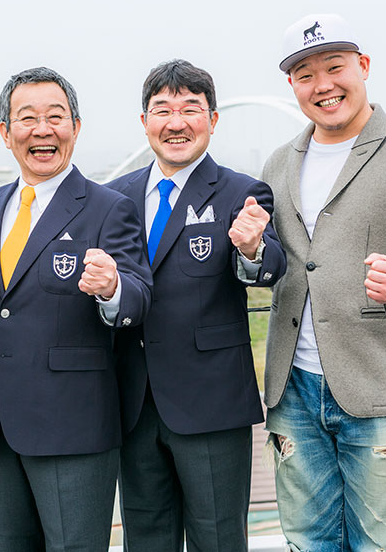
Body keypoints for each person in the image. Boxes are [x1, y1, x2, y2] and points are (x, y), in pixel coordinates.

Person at [263, 14, 386, 552]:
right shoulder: (279, 163)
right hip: (293, 388)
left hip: (378, 383)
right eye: (306, 75)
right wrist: (251, 250)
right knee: (308, 540)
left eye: (335, 67)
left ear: (363, 66)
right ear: (292, 85)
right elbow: (275, 260)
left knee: (383, 543)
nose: (323, 85)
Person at [0, 66, 152, 552]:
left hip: (73, 428)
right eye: (27, 118)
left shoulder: (108, 207)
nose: (42, 130)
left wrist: (112, 287)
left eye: (55, 117)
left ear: (75, 127)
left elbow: (139, 297)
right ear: (5, 132)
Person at [107, 59, 286, 552]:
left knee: (218, 538)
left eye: (190, 108)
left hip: (211, 403)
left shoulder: (241, 191)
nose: (176, 122)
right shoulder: (114, 197)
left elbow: (271, 265)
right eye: (163, 110)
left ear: (213, 119)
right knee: (145, 538)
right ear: (144, 121)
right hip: (132, 401)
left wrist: (251, 247)